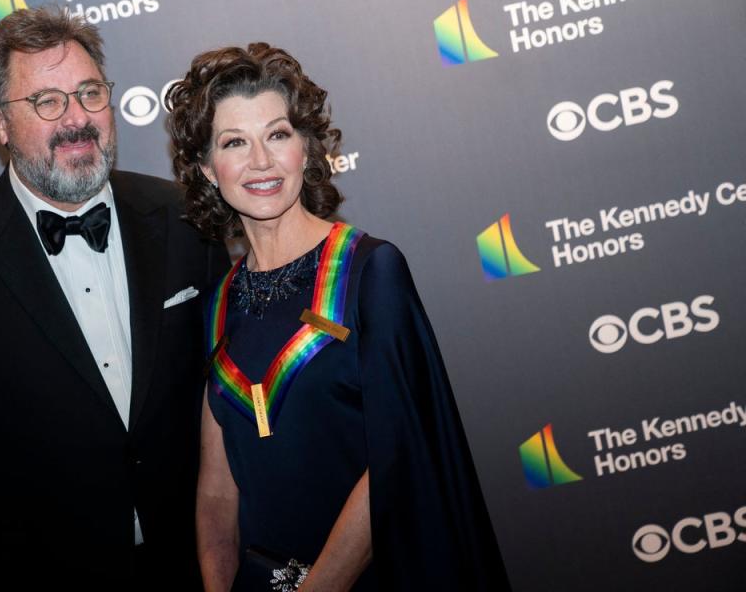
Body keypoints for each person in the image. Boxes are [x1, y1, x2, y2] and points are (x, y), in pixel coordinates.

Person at [0, 7, 228, 589]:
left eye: (90, 93)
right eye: (46, 101)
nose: (77, 119)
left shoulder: (187, 219)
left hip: (192, 567)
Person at [165, 43, 511, 591]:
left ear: (306, 148)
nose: (261, 161)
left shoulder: (370, 271)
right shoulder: (218, 302)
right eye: (235, 142)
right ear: (209, 169)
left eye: (278, 135)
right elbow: (217, 490)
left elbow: (396, 459)